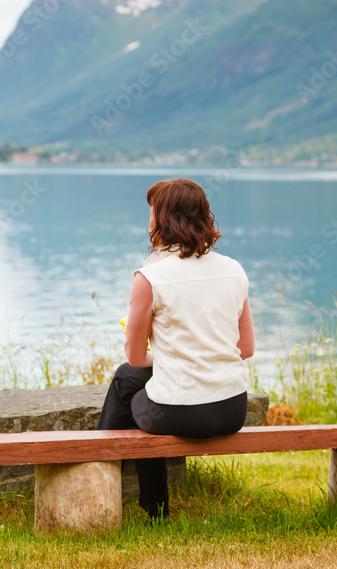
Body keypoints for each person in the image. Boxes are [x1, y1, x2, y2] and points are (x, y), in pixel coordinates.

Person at [97, 177, 255, 520]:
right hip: (232, 409)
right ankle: (145, 504)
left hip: (180, 412)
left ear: (163, 220)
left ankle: (107, 476)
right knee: (130, 378)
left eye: (151, 213)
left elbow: (137, 356)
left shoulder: (150, 278)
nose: (147, 221)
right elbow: (245, 348)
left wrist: (167, 358)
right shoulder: (234, 270)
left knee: (128, 383)